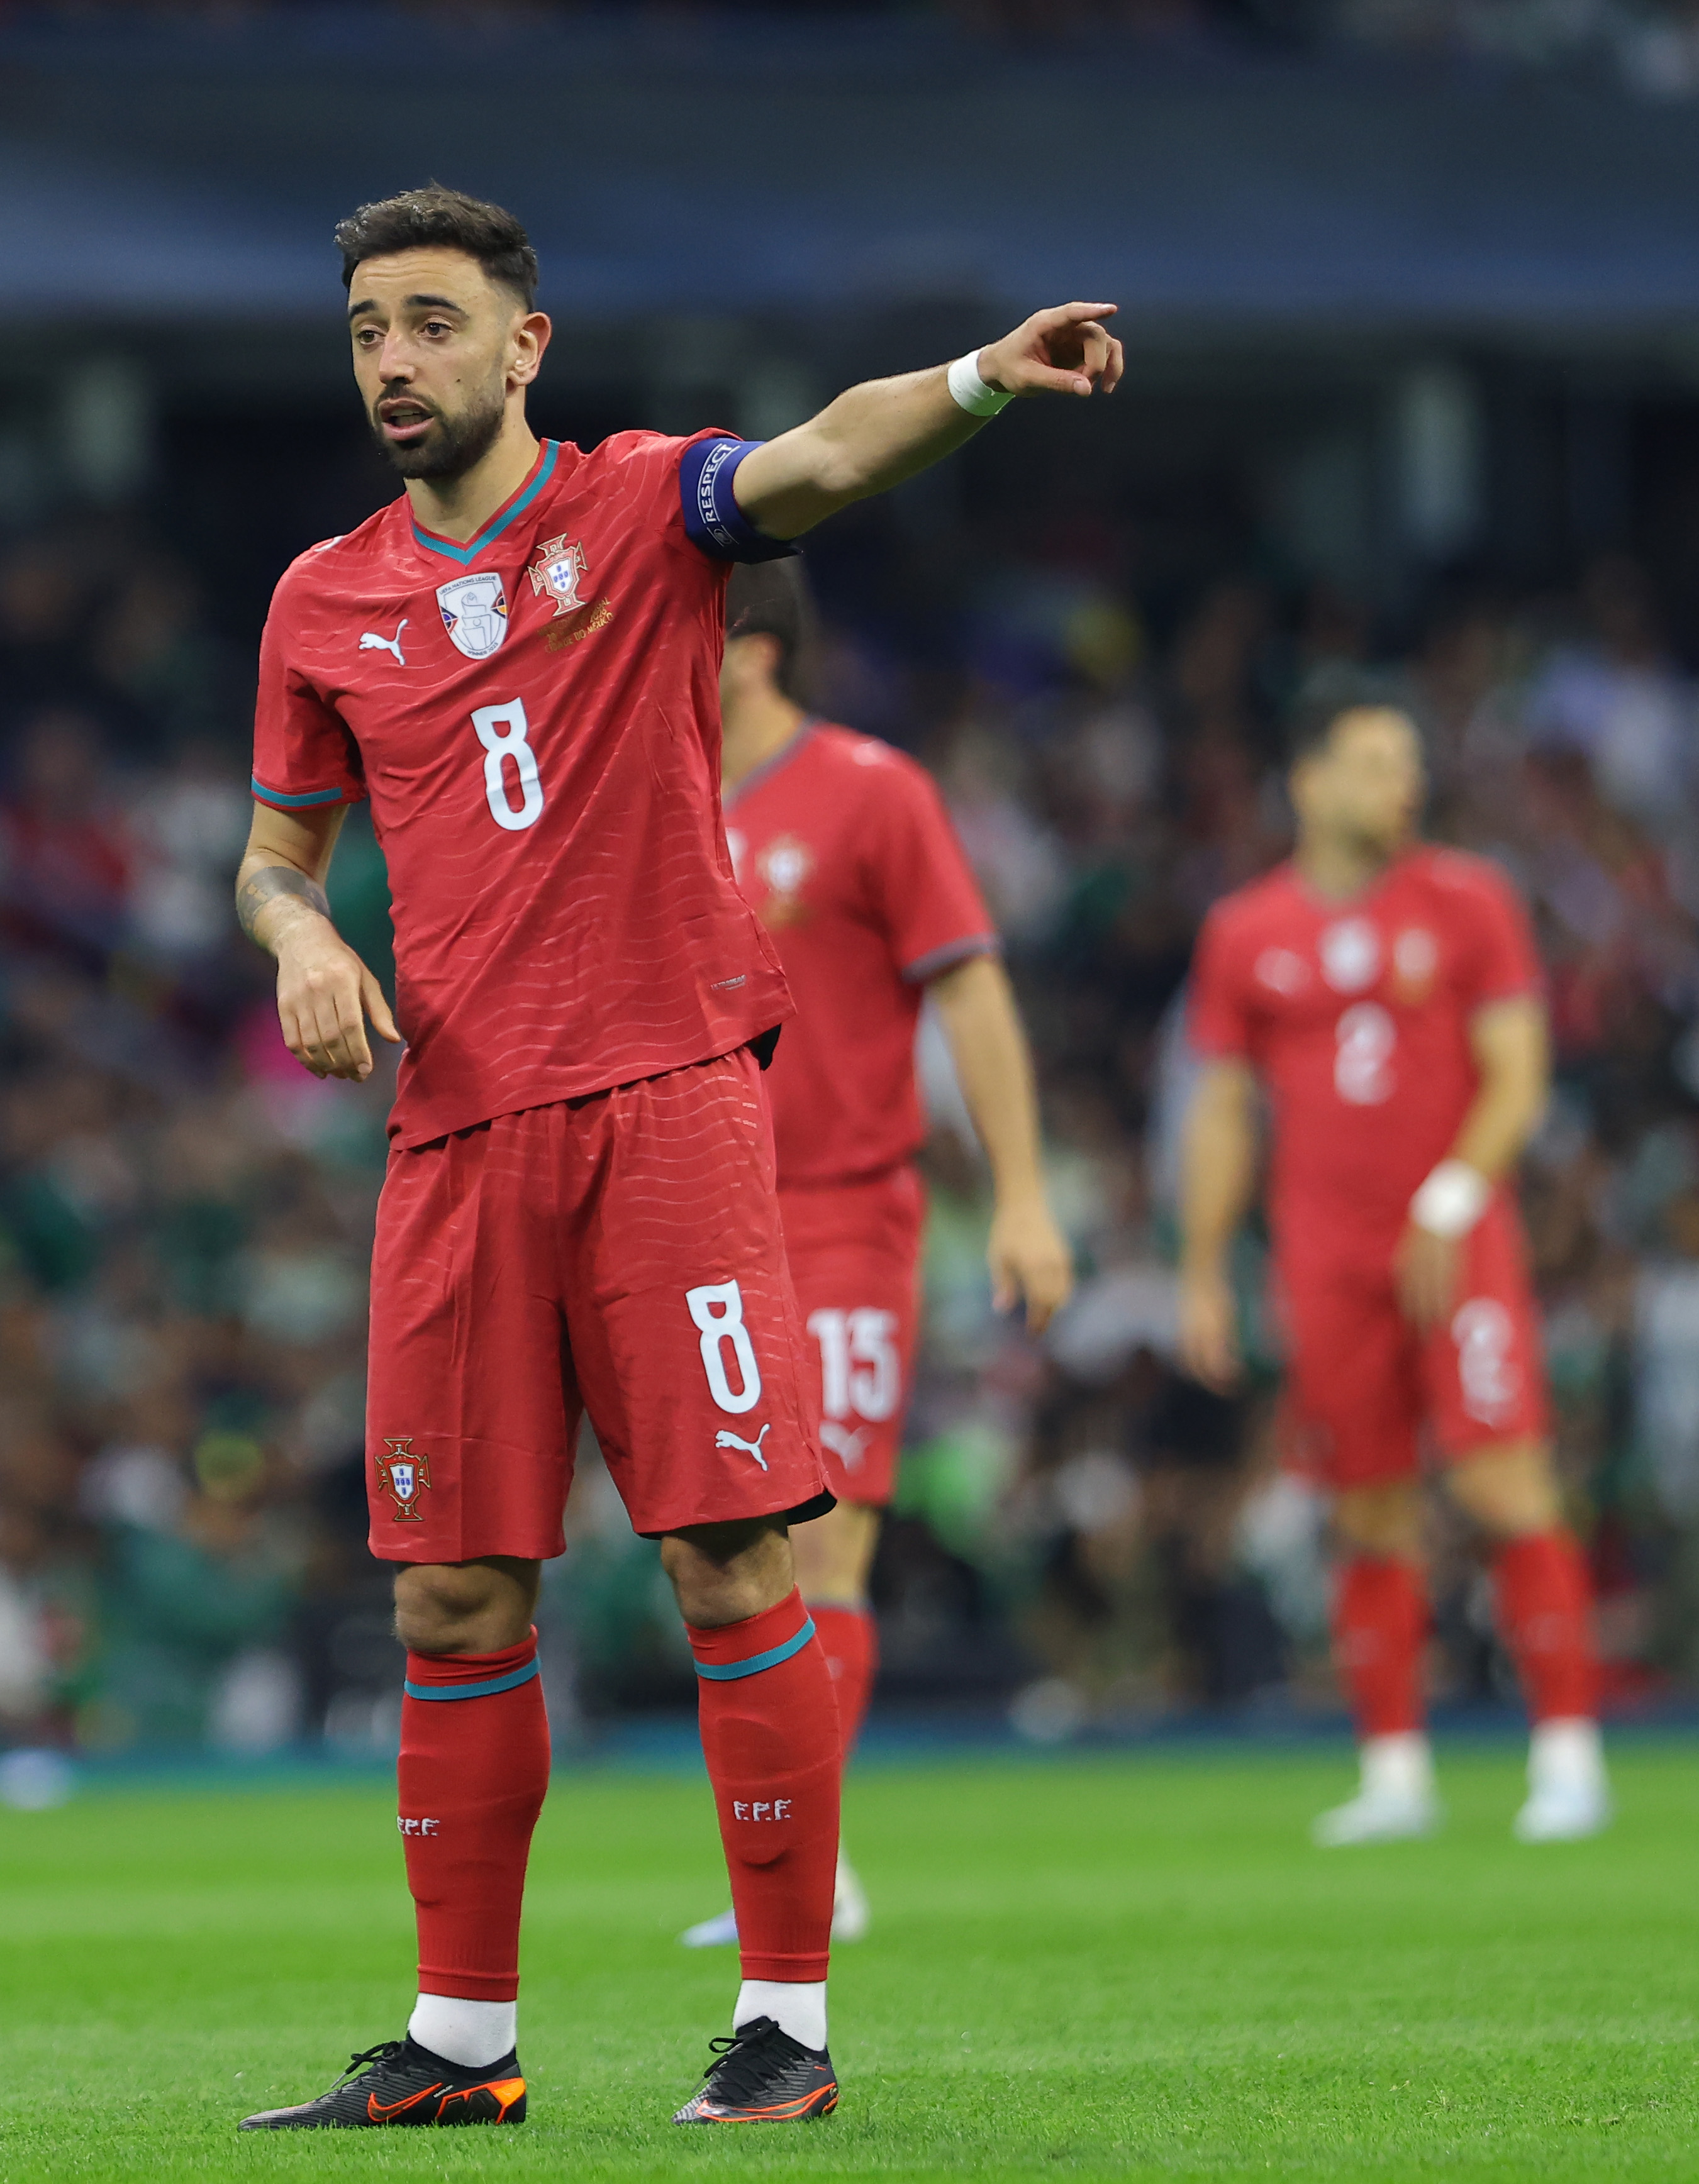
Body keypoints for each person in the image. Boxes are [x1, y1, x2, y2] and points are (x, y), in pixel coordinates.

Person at [231, 185, 1122, 2131]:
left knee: (733, 1554)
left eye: (436, 324)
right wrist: (303, 938)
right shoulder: (322, 600)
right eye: (372, 327)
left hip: (666, 1107)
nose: (397, 361)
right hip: (457, 1139)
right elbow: (274, 854)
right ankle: (461, 2046)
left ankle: (786, 2023)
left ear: (522, 345)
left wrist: (982, 376)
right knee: (450, 1598)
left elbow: (819, 451)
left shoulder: (641, 510)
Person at [675, 557, 1074, 1953]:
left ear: (755, 646)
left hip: (843, 1211)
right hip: (687, 1224)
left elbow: (966, 981)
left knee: (823, 1542)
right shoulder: (643, 794)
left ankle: (805, 1870)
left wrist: (1018, 1195)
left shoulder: (869, 792)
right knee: (722, 1549)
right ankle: (779, 1857)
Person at [1174, 700, 1610, 1848]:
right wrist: (1204, 1265)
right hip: (1325, 1258)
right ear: (1307, 782)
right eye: (1372, 764)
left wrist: (1451, 1199)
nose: (1399, 785)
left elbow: (1518, 1075)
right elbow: (1221, 1109)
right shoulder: (1243, 930)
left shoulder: (1470, 900)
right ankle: (1394, 1771)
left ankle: (1568, 1755)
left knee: (1501, 1482)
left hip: (1454, 1241)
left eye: (1408, 764)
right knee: (1366, 1505)